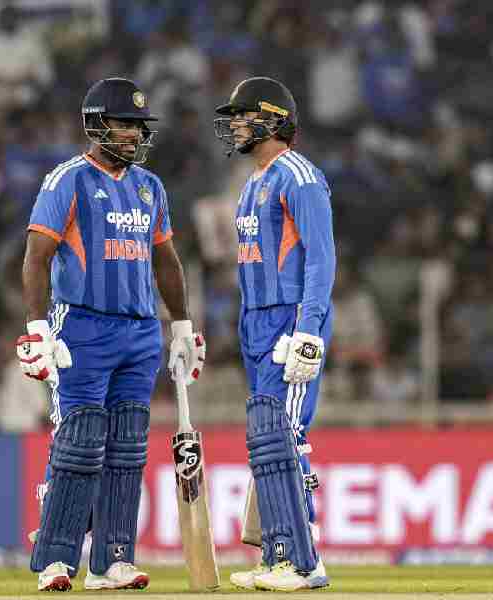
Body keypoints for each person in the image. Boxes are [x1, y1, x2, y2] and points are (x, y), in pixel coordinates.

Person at [17, 77, 205, 592]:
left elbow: (166, 260)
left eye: (139, 127)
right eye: (125, 124)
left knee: (127, 448)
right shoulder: (68, 180)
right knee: (79, 443)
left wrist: (182, 326)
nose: (134, 134)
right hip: (83, 326)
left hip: (140, 331)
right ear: (97, 124)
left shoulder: (150, 186)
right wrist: (37, 329)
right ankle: (56, 559)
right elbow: (36, 256)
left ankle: (112, 560)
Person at [214, 76, 335, 592]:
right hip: (257, 321)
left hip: (290, 317)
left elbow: (321, 257)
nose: (235, 125)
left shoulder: (299, 177)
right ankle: (279, 553)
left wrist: (309, 329)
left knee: (285, 435)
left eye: (243, 116)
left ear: (270, 119)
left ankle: (303, 562)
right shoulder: (251, 183)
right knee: (267, 438)